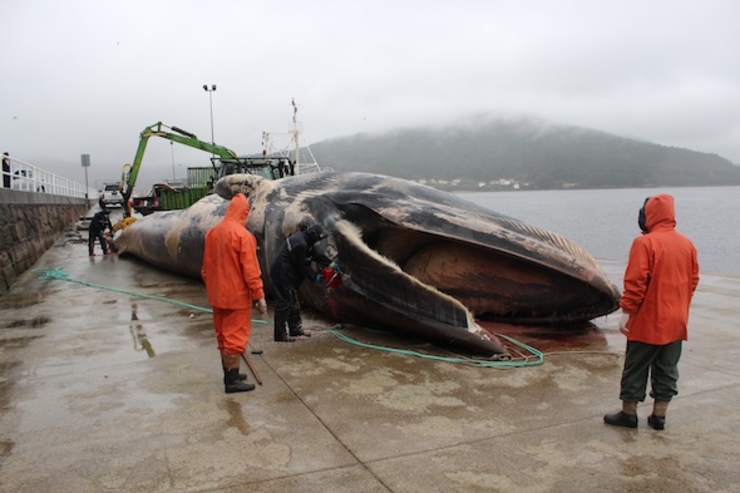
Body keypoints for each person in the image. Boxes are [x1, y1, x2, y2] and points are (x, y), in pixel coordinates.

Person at [604, 194, 699, 430]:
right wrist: (679, 303)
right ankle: (659, 416)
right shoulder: (687, 243)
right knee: (667, 367)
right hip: (677, 320)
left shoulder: (644, 243)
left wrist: (626, 311)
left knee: (636, 366)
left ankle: (629, 414)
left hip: (648, 320)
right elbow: (693, 279)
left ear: (650, 215)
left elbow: (636, 283)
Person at [201, 193, 267, 393]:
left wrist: (214, 286)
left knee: (223, 335)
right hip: (236, 297)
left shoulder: (213, 232)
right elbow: (250, 270)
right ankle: (232, 382)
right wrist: (259, 296)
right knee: (235, 337)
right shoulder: (243, 236)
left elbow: (205, 268)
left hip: (217, 295)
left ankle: (231, 372)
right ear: (244, 212)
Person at [269, 224, 327, 342]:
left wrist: (330, 263)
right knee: (284, 303)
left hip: (289, 275)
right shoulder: (301, 244)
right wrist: (315, 277)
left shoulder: (305, 240)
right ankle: (280, 335)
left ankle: (295, 329)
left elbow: (314, 255)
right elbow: (302, 266)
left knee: (293, 302)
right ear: (313, 236)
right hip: (283, 275)